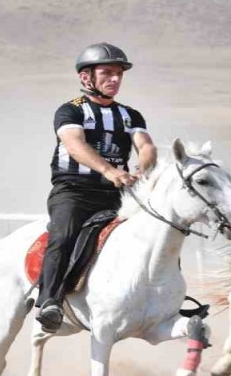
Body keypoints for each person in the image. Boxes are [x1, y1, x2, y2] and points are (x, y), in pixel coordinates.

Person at [36, 43, 158, 333]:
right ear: (86, 78)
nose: (115, 79)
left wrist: (143, 168)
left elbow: (146, 145)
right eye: (107, 73)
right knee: (63, 236)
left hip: (116, 194)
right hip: (74, 191)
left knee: (158, 229)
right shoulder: (70, 111)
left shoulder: (130, 115)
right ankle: (49, 300)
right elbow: (75, 145)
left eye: (119, 74)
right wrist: (109, 170)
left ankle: (160, 296)